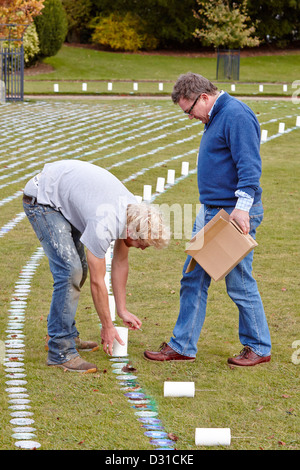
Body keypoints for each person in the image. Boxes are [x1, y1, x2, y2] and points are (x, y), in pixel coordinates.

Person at [144, 72, 271, 367]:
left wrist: (241, 209)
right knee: (193, 277)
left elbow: (249, 165)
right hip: (212, 211)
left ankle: (259, 346)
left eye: (190, 110)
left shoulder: (236, 115)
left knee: (238, 282)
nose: (190, 117)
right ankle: (183, 345)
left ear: (203, 97)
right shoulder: (216, 117)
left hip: (232, 213)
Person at [23, 159, 169, 373]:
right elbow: (97, 281)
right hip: (43, 200)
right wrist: (107, 327)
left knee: (76, 268)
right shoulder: (106, 223)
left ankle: (61, 333)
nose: (142, 249)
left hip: (62, 196)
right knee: (70, 271)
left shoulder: (132, 212)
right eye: (142, 244)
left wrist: (122, 310)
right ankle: (60, 351)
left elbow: (120, 263)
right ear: (130, 232)